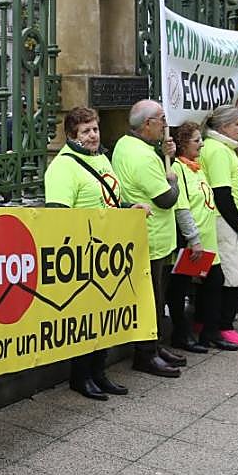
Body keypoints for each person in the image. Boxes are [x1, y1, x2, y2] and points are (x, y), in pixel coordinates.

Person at [44, 107, 147, 399]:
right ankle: (81, 376)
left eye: (95, 129)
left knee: (104, 319)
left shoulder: (101, 158)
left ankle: (100, 372)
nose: (93, 135)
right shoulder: (63, 167)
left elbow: (110, 200)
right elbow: (58, 217)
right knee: (85, 321)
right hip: (83, 256)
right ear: (72, 134)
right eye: (86, 131)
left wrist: (129, 208)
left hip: (108, 255)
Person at [111, 100, 184, 378]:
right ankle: (146, 352)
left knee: (157, 295)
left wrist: (168, 156)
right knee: (151, 298)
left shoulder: (127, 145)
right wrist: (173, 179)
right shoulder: (141, 156)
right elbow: (166, 198)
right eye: (162, 119)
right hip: (150, 237)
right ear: (147, 124)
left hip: (153, 237)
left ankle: (155, 345)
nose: (166, 124)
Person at [170, 121, 238, 351]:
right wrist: (193, 238)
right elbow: (183, 207)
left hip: (208, 240)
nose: (201, 144)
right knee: (181, 287)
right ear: (182, 144)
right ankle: (182, 333)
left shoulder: (197, 167)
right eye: (196, 140)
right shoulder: (178, 168)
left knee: (214, 283)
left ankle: (210, 332)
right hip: (193, 242)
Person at [201, 105, 238, 346]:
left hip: (228, 219)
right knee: (233, 275)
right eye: (236, 124)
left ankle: (207, 320)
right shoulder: (219, 151)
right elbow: (222, 195)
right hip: (225, 222)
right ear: (223, 127)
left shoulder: (221, 148)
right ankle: (224, 324)